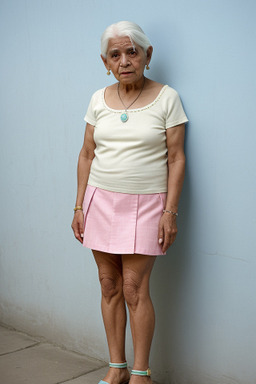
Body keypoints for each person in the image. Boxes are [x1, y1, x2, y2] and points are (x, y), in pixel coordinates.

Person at [71, 21, 188, 384]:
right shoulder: (97, 99)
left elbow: (177, 158)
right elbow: (87, 154)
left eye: (132, 52)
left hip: (146, 206)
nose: (125, 60)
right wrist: (78, 206)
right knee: (109, 284)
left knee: (135, 288)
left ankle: (141, 373)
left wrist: (170, 211)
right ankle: (116, 367)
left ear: (147, 56)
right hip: (100, 202)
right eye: (115, 54)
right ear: (105, 62)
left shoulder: (167, 98)